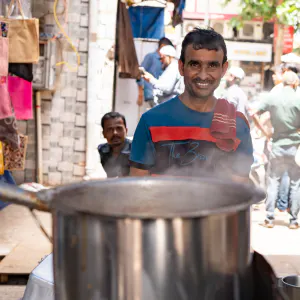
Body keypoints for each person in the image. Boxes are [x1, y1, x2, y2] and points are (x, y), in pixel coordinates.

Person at [129, 28, 253, 181]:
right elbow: (138, 189)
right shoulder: (151, 121)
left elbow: (239, 191)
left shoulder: (237, 125)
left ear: (223, 70)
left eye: (212, 66)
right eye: (195, 64)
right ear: (181, 67)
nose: (203, 75)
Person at [252, 71, 300, 229]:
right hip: (294, 145)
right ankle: (293, 221)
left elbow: (253, 113)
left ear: (282, 83)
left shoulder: (272, 98)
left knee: (273, 182)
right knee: (295, 184)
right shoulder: (298, 99)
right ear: (294, 83)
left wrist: (266, 133)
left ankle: (269, 219)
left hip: (277, 144)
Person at [137, 37, 174, 108]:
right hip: (151, 93)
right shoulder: (151, 57)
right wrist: (140, 94)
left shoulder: (169, 62)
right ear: (162, 46)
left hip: (163, 95)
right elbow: (140, 75)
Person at [98, 112, 131, 178]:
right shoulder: (102, 150)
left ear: (126, 130)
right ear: (104, 134)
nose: (115, 133)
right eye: (110, 129)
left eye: (119, 128)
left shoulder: (137, 150)